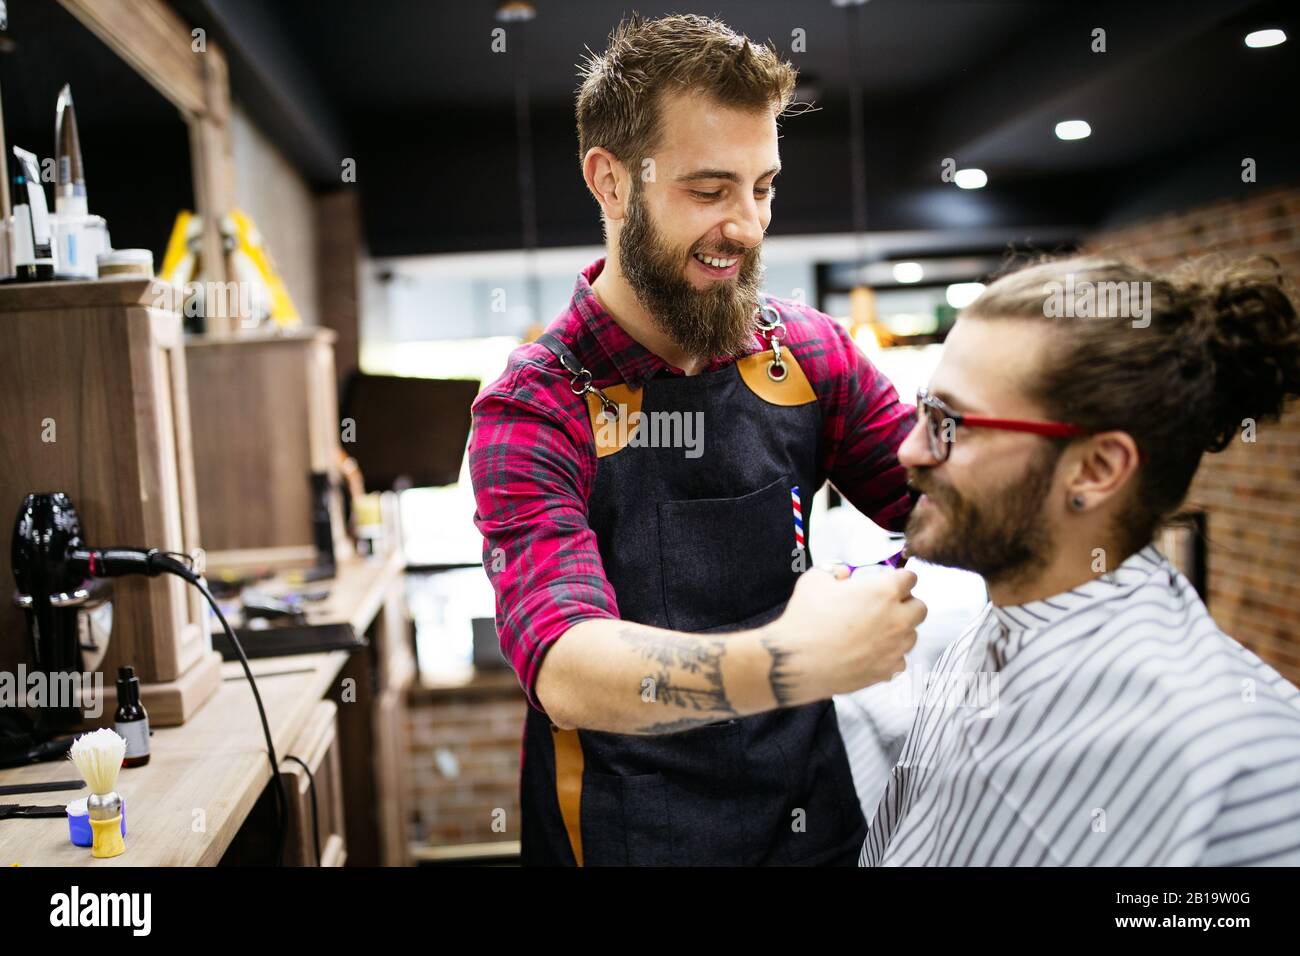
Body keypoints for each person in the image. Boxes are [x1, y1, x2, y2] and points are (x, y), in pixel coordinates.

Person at [468, 13, 925, 866]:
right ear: (610, 181)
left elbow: (942, 502)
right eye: (710, 192)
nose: (748, 227)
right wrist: (792, 661)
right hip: (625, 836)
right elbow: (564, 664)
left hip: (810, 826)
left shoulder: (812, 354)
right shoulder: (534, 406)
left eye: (764, 187)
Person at [860, 254, 1300, 866]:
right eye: (922, 411)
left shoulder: (1242, 761)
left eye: (950, 424)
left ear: (1095, 470)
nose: (909, 451)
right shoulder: (986, 637)